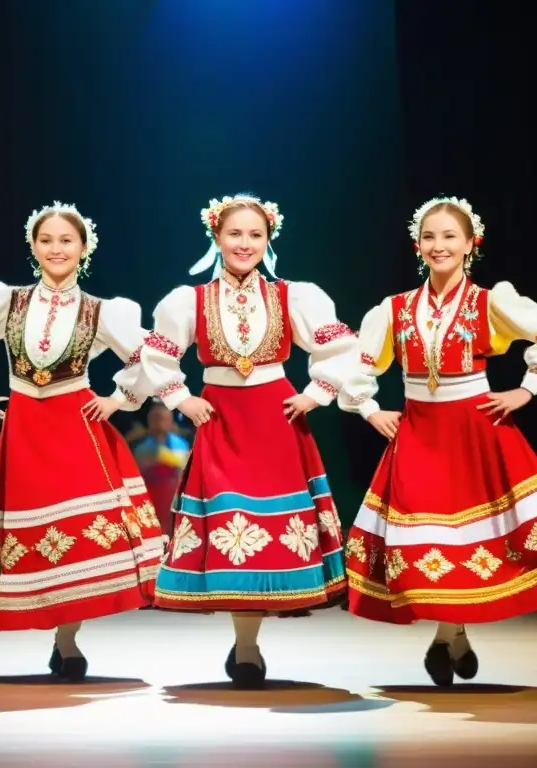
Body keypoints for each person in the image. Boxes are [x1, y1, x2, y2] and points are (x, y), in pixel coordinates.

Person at [338, 196, 537, 687]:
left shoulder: (490, 300)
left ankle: (445, 638)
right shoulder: (395, 308)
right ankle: (454, 636)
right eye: (430, 237)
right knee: (431, 541)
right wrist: (371, 409)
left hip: (477, 427)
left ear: (470, 244)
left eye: (449, 237)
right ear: (417, 245)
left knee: (474, 537)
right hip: (419, 431)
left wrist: (527, 389)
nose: (439, 246)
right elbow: (357, 365)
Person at [0, 202, 164, 681]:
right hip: (25, 428)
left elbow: (151, 355)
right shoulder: (6, 300)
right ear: (33, 247)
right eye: (47, 240)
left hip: (75, 422)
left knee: (75, 537)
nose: (56, 249)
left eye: (66, 241)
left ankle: (68, 640)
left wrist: (120, 398)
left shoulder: (101, 310)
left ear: (83, 248)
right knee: (36, 531)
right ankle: (55, 628)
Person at [138, 194, 356, 688]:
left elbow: (340, 347)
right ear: (216, 236)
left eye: (255, 235)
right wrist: (181, 397)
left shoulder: (291, 296)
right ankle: (246, 645)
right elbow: (159, 356)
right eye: (235, 234)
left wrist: (316, 392)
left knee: (269, 530)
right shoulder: (189, 300)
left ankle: (248, 644)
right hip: (222, 420)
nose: (244, 243)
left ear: (268, 240)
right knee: (234, 527)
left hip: (276, 418)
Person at [131, 400, 191, 537]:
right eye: (155, 419)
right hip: (151, 501)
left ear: (170, 421)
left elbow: (184, 470)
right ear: (149, 422)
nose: (159, 423)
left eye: (162, 419)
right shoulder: (141, 448)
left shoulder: (181, 445)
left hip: (174, 499)